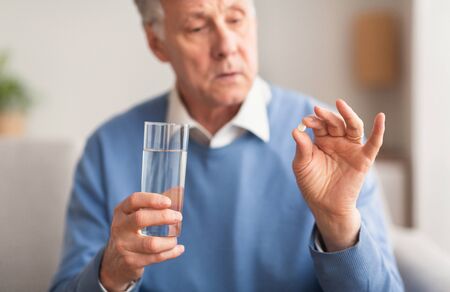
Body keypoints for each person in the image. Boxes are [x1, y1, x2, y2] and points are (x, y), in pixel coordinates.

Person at [50, 0, 404, 291]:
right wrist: (109, 276)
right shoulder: (107, 148)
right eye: (198, 27)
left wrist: (339, 224)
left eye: (235, 18)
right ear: (157, 43)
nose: (226, 46)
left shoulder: (330, 141)